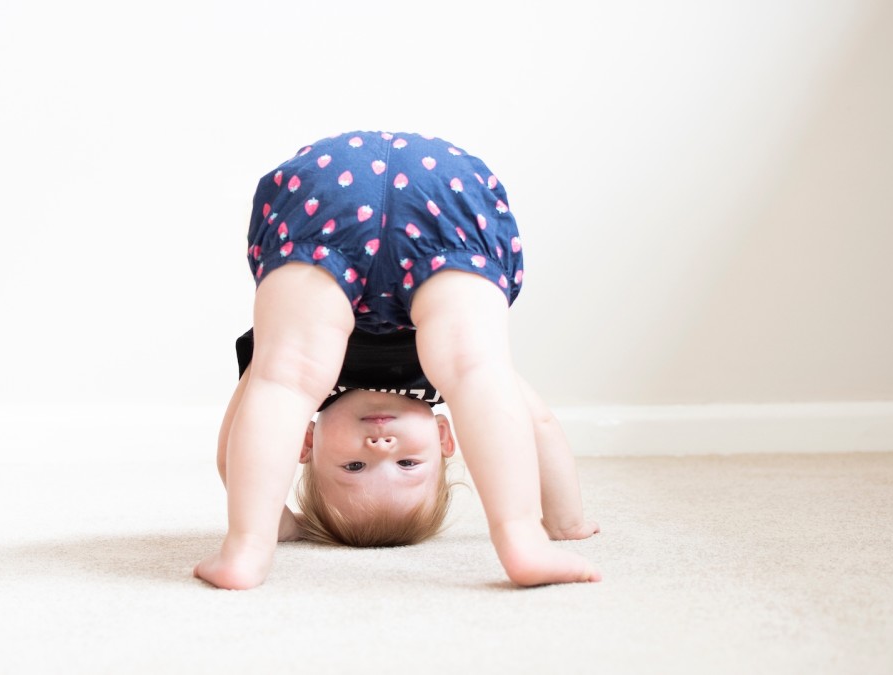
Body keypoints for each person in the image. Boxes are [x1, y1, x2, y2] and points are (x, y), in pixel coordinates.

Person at [194, 131, 601, 590]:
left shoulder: (306, 380)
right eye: (409, 464)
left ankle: (249, 546)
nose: (382, 448)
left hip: (326, 205)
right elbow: (539, 425)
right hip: (443, 209)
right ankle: (521, 538)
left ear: (304, 446)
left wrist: (277, 521)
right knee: (474, 370)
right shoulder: (442, 380)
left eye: (353, 468)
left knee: (286, 380)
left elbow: (232, 447)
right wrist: (565, 520)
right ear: (444, 436)